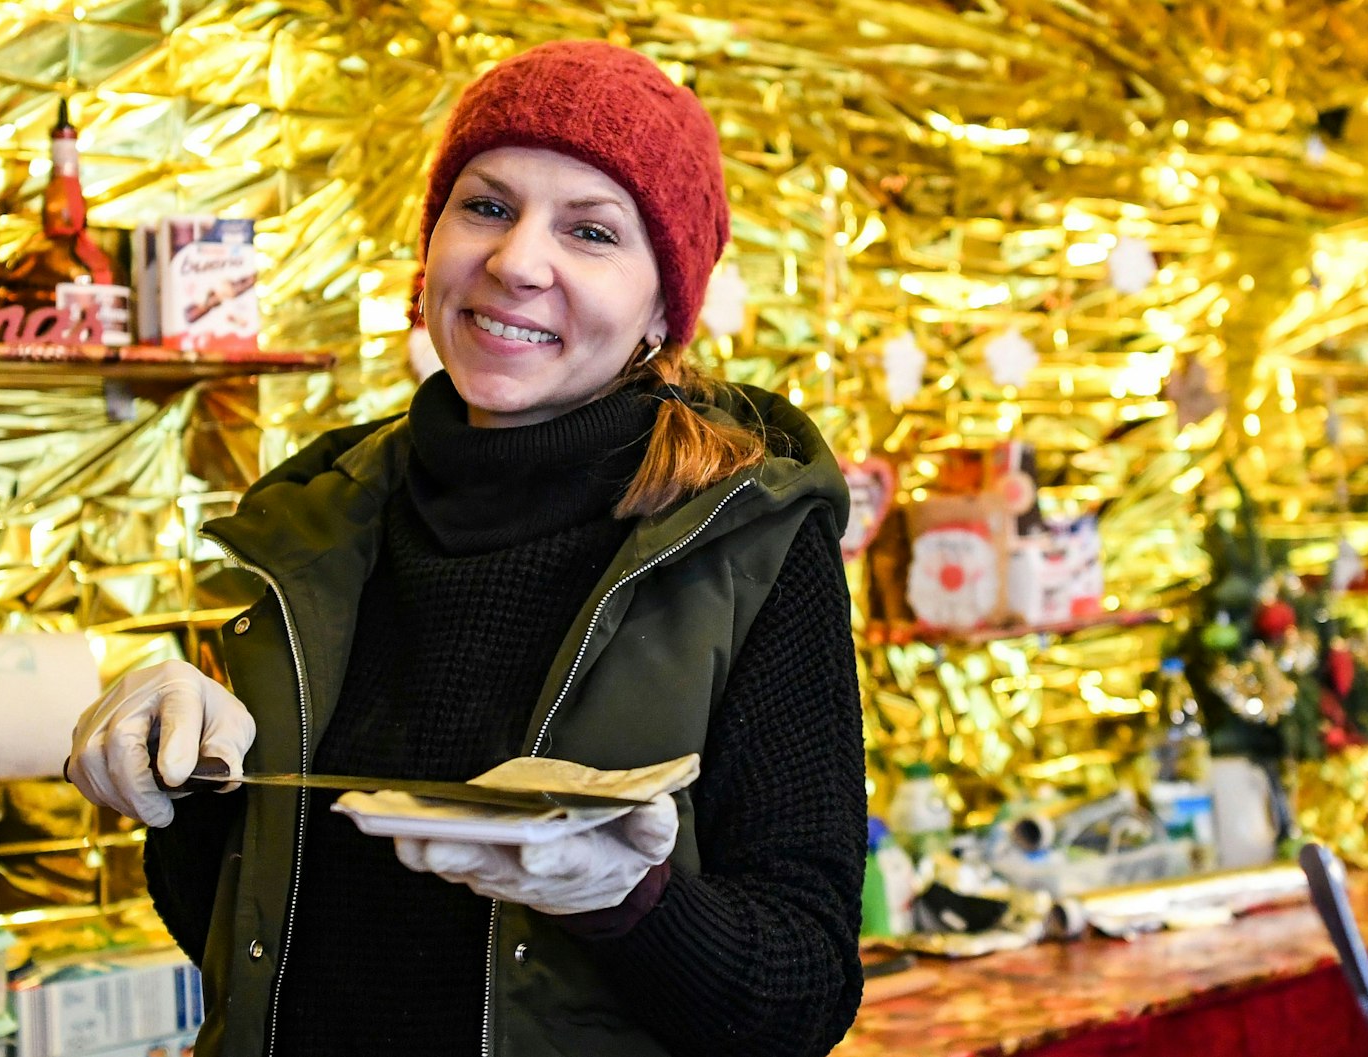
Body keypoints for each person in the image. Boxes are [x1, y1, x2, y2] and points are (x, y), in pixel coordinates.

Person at [66, 39, 868, 1057]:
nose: (516, 262)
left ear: (663, 305)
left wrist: (626, 896)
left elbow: (799, 995)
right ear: (431, 242)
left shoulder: (745, 545)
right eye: (486, 206)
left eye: (590, 231)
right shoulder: (312, 522)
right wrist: (180, 789)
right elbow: (241, 936)